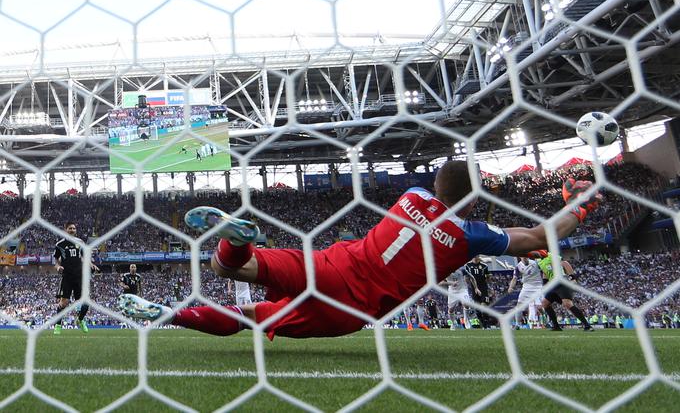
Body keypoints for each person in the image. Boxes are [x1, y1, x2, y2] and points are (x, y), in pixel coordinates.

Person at [118, 161, 602, 340]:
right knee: (255, 320)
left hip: (331, 260)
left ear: (435, 184)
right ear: (474, 197)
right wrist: (580, 207)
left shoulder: (409, 196)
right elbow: (538, 237)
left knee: (235, 269)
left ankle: (231, 240)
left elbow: (445, 199)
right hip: (351, 305)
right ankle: (176, 314)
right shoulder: (471, 234)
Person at [54, 222, 100, 335]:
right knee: (64, 302)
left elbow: (84, 257)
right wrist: (58, 266)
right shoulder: (60, 244)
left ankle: (79, 320)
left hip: (79, 277)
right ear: (65, 229)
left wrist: (91, 264)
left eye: (74, 228)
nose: (72, 230)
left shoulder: (80, 242)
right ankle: (58, 325)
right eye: (70, 228)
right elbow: (55, 260)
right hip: (67, 277)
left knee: (85, 303)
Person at [537, 253, 593, 332]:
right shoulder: (539, 260)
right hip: (552, 284)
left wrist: (572, 278)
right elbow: (545, 272)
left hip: (561, 282)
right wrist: (545, 283)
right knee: (545, 304)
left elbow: (564, 263)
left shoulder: (551, 255)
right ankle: (556, 326)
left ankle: (587, 325)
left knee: (567, 304)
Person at [508, 256, 543, 329]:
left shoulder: (536, 263)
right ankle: (517, 325)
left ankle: (546, 321)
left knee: (541, 307)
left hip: (538, 286)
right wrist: (511, 287)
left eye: (526, 257)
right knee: (518, 307)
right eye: (523, 257)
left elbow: (544, 270)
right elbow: (514, 278)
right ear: (520, 257)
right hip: (526, 287)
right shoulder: (518, 266)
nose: (525, 258)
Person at [465, 256, 492, 329]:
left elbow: (488, 277)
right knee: (477, 309)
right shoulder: (468, 265)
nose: (475, 257)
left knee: (484, 306)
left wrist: (489, 277)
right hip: (474, 289)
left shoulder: (484, 266)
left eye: (477, 256)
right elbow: (466, 278)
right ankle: (483, 323)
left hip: (483, 288)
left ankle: (487, 324)